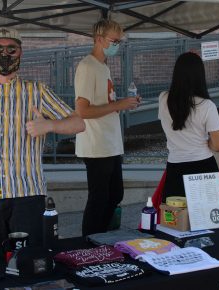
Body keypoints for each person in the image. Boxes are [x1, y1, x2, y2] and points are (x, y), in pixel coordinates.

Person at [0, 27, 85, 248]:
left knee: (31, 260)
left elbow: (79, 123)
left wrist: (49, 124)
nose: (4, 54)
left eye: (12, 49)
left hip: (28, 193)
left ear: (20, 53)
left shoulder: (38, 92)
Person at [75, 19, 140, 237]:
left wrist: (120, 103)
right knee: (100, 197)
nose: (116, 45)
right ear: (99, 39)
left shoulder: (102, 66)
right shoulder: (87, 66)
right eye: (114, 41)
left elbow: (103, 104)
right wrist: (119, 104)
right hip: (96, 144)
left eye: (119, 41)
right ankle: (90, 240)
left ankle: (100, 236)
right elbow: (82, 110)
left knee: (115, 194)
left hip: (110, 143)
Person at [158, 52, 219, 202]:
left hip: (175, 166)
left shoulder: (163, 99)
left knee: (176, 221)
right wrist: (206, 140)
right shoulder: (207, 106)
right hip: (203, 166)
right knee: (207, 219)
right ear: (200, 76)